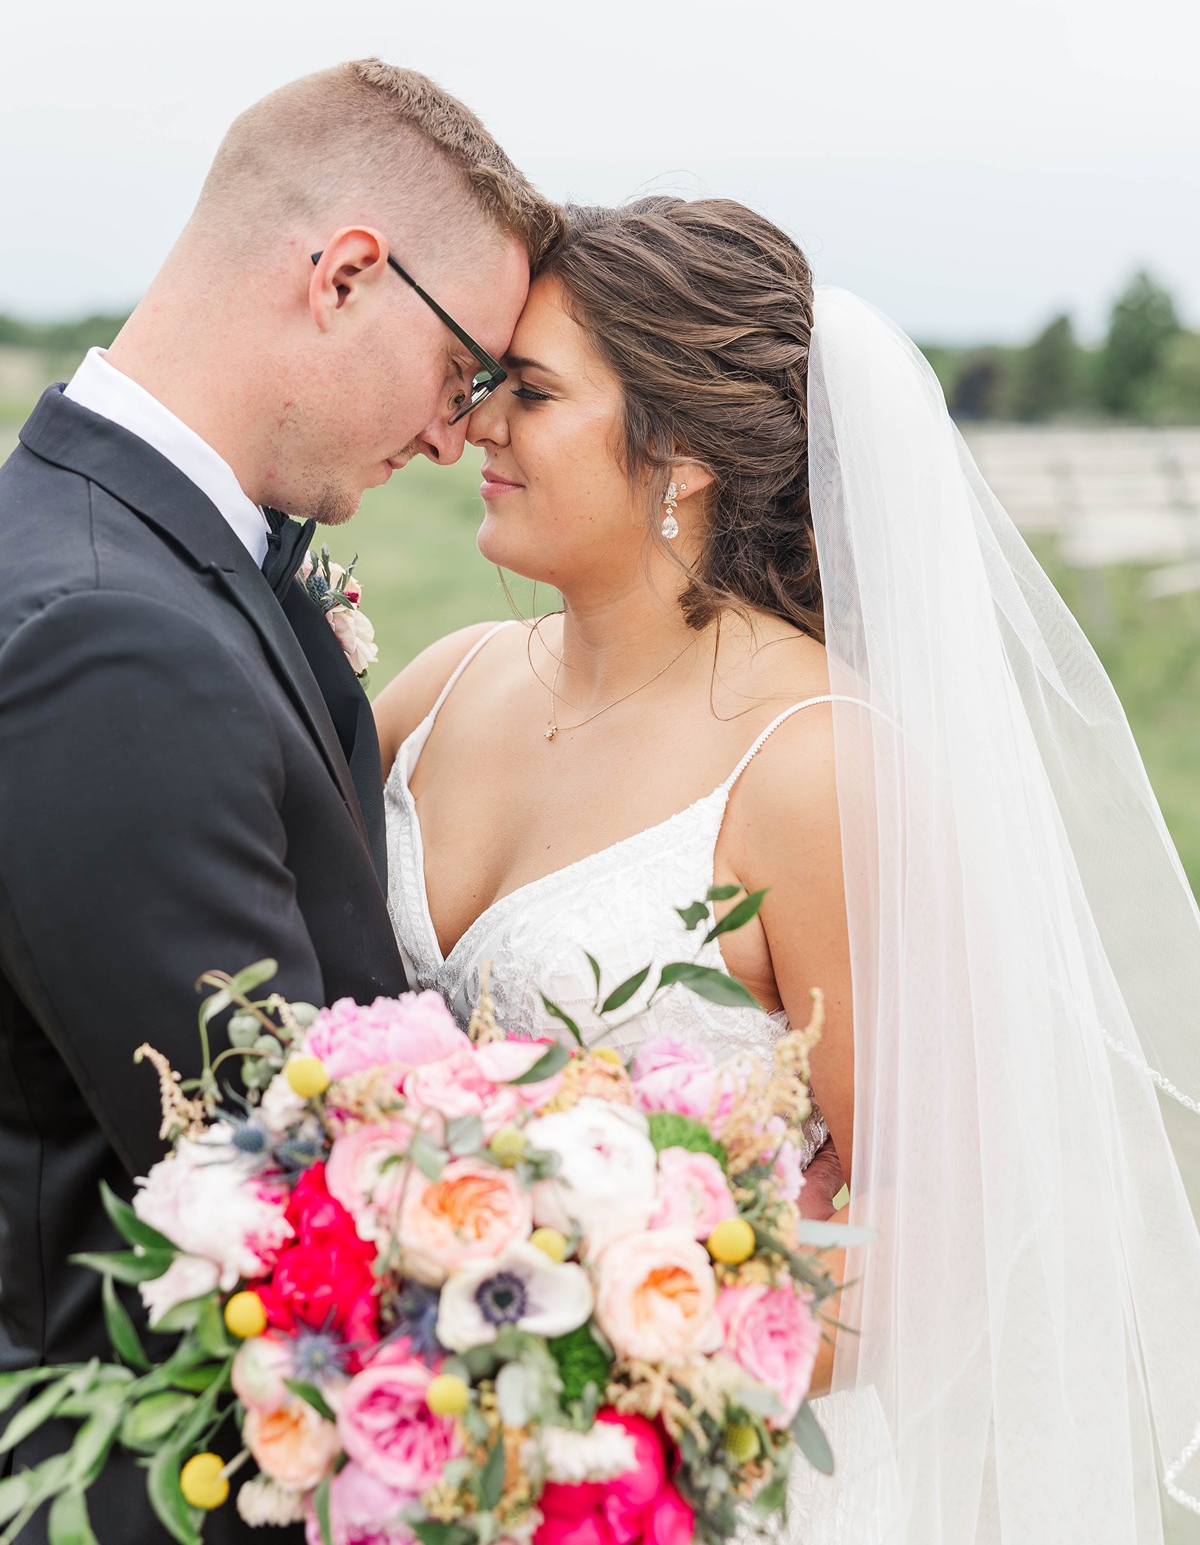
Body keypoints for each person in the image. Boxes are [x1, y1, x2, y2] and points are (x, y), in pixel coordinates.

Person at [375, 198, 1200, 1543]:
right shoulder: (438, 684)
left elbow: (937, 1230)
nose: (477, 426)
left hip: (696, 1488)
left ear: (681, 456)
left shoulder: (816, 767)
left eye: (527, 391)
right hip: (413, 1462)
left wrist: (604, 1401)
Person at [0, 58, 560, 1542]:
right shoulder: (109, 633)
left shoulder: (135, 549)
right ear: (345, 276)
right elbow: (263, 1158)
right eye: (466, 373)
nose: (458, 435)